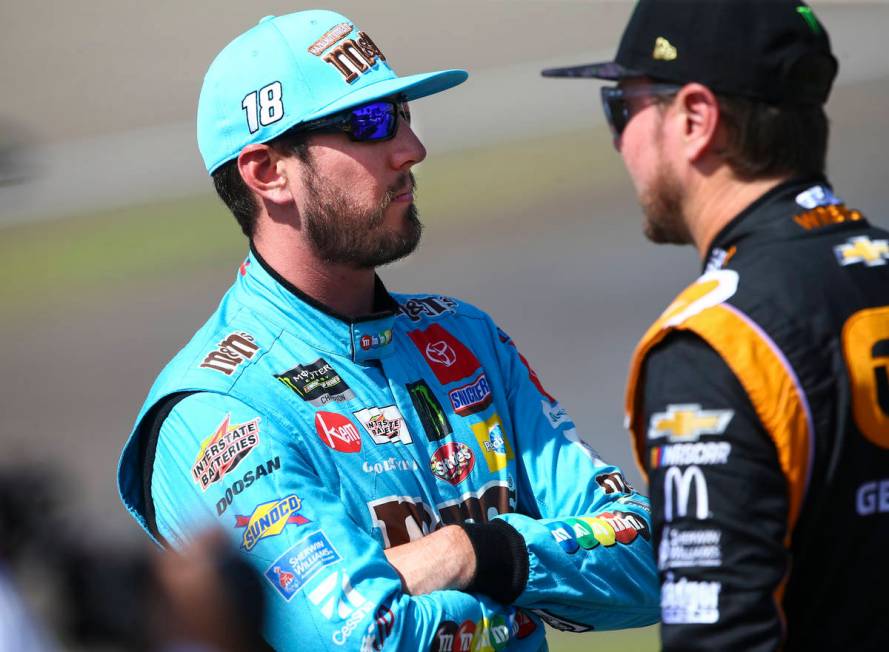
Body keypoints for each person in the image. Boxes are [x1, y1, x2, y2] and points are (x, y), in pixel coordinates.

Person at [117, 10, 659, 651]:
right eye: (369, 124)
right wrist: (520, 604)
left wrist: (480, 552)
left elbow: (655, 559)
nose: (411, 149)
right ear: (268, 173)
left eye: (401, 112)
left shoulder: (466, 339)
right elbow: (359, 638)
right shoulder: (215, 411)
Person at [543, 1, 889, 650]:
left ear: (696, 119)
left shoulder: (713, 344)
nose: (618, 139)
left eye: (621, 106)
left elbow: (720, 638)